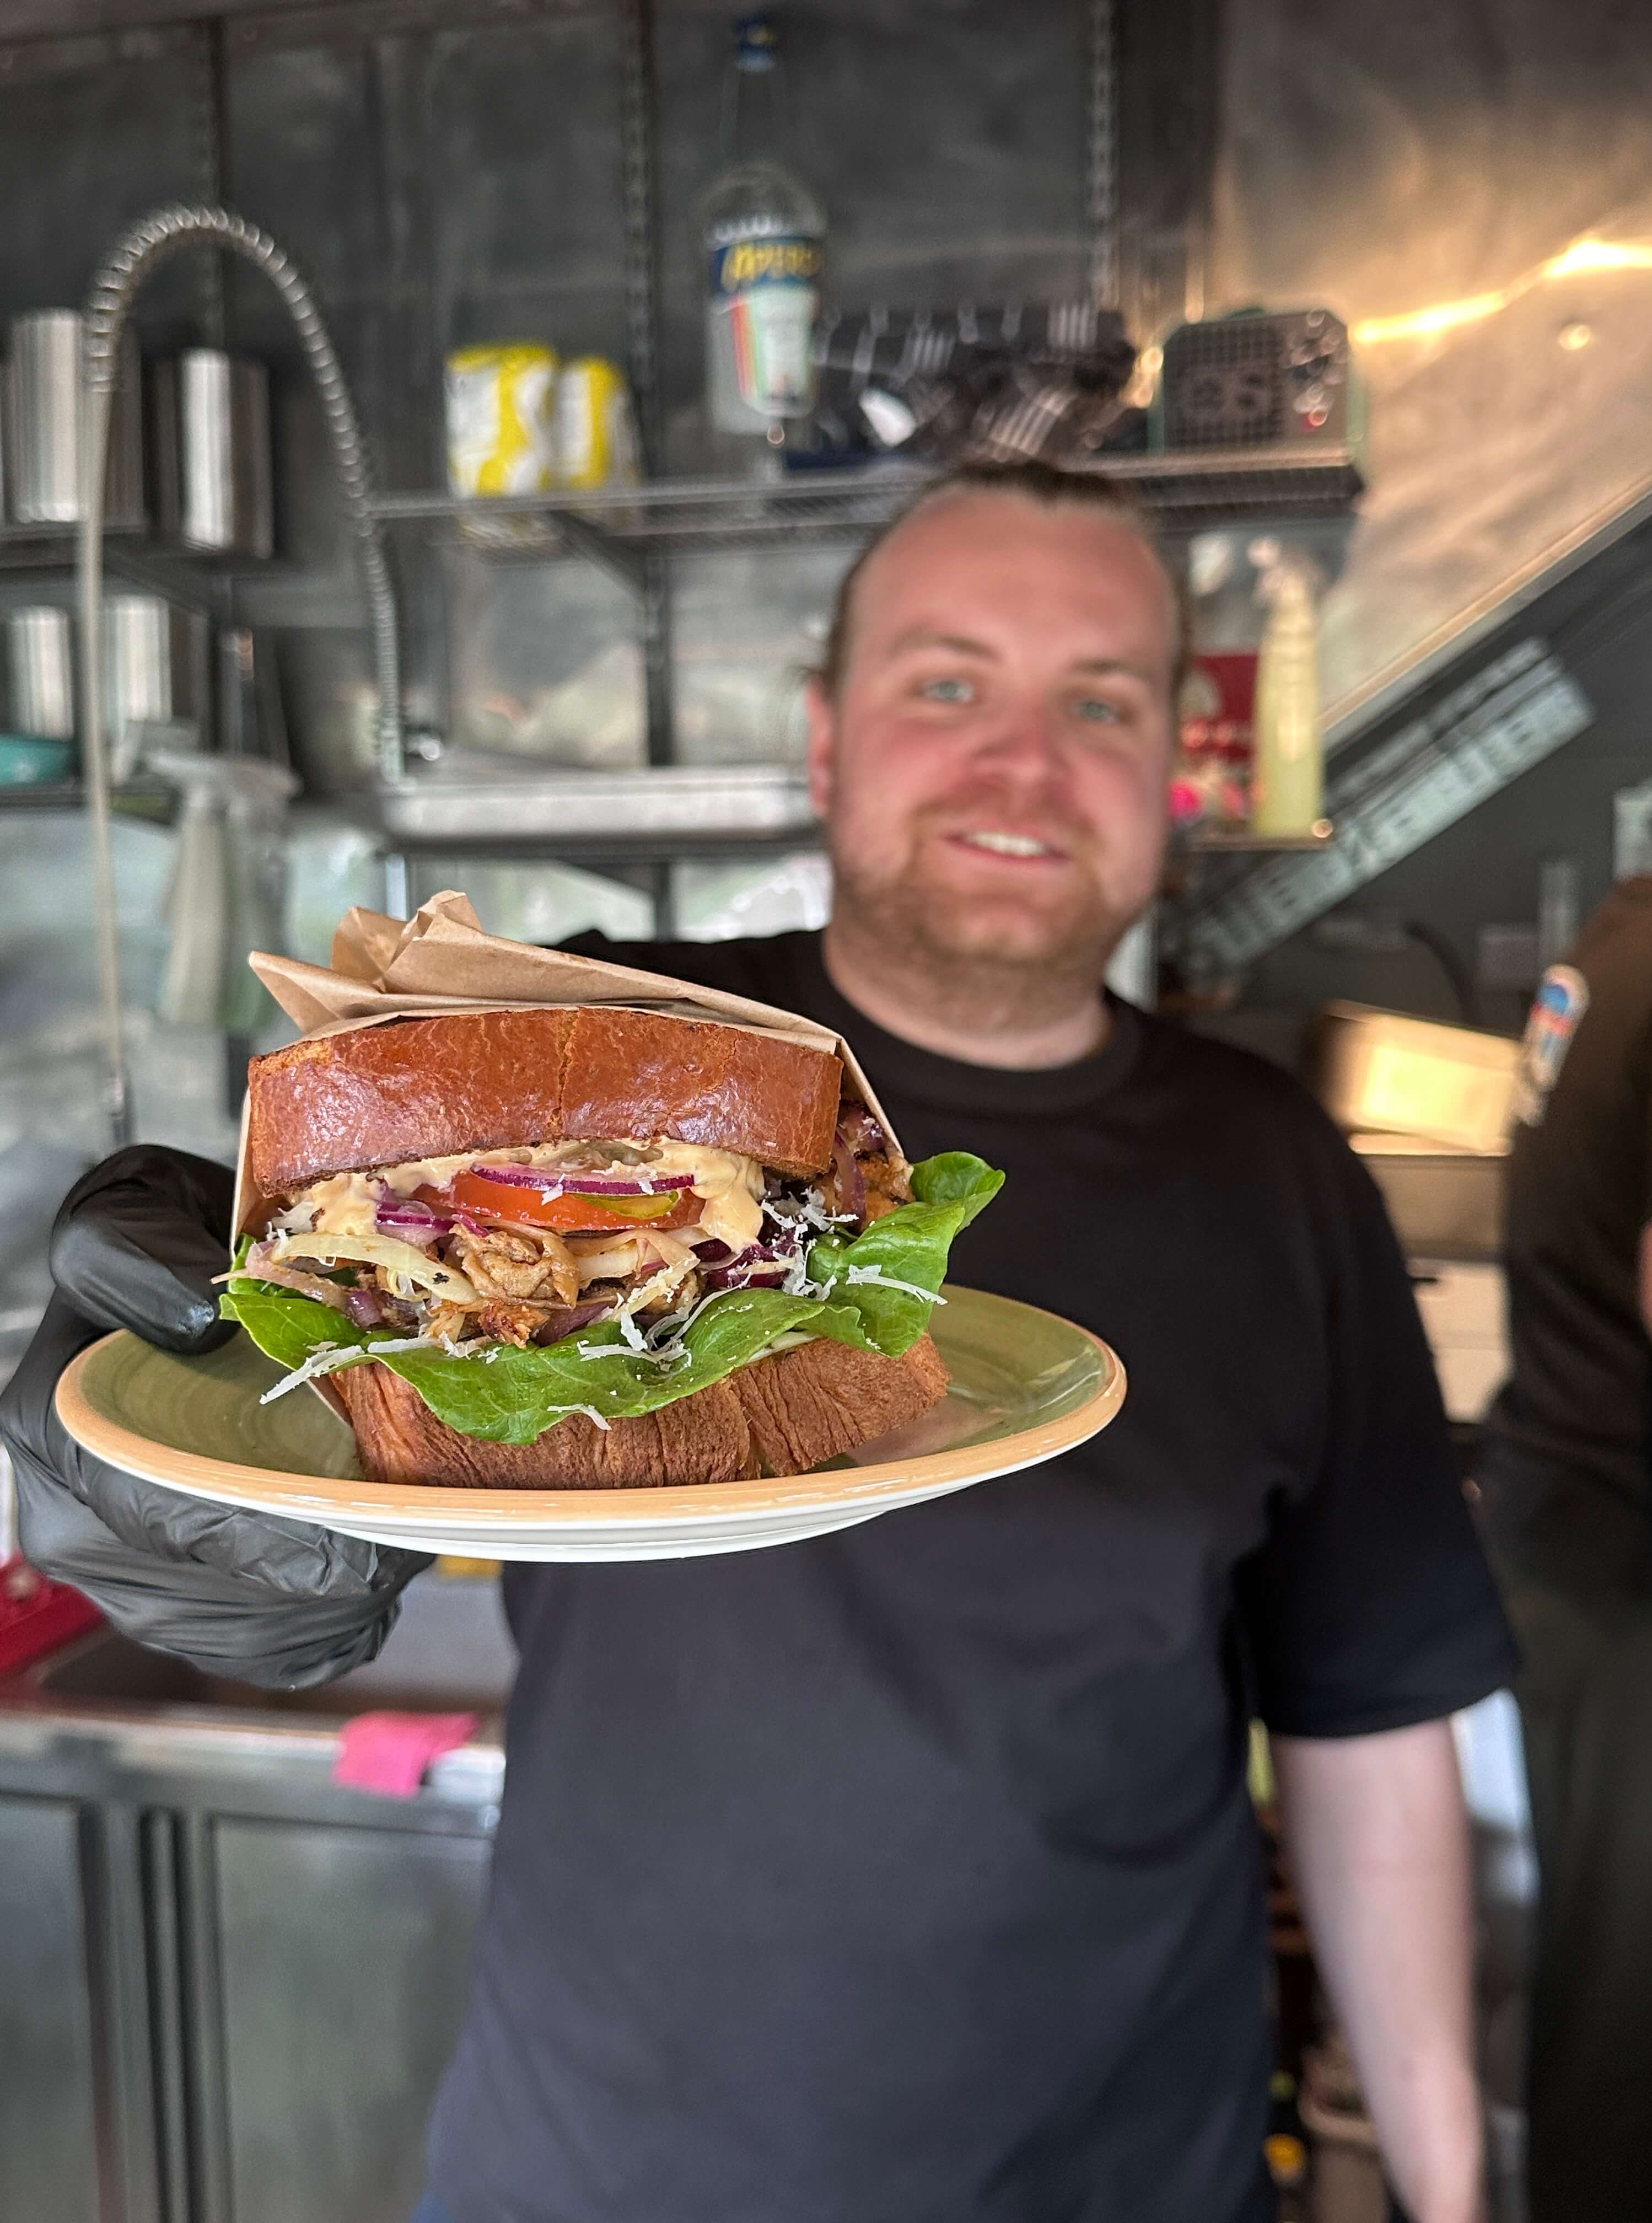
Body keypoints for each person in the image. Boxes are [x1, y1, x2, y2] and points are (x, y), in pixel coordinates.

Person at [3, 461, 1515, 2223]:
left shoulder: (1277, 1167)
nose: (1021, 763)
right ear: (823, 738)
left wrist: (1446, 2189)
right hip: (603, 2168)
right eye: (946, 682)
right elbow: (303, 1335)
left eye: (1097, 701)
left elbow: (1368, 1721)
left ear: (1173, 763)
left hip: (1129, 2172)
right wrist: (161, 1429)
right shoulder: (565, 1032)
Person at [1479, 878, 1652, 2223]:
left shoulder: (1630, 932)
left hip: (1579, 1536)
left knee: (1613, 2011)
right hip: (1642, 1580)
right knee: (1639, 2041)